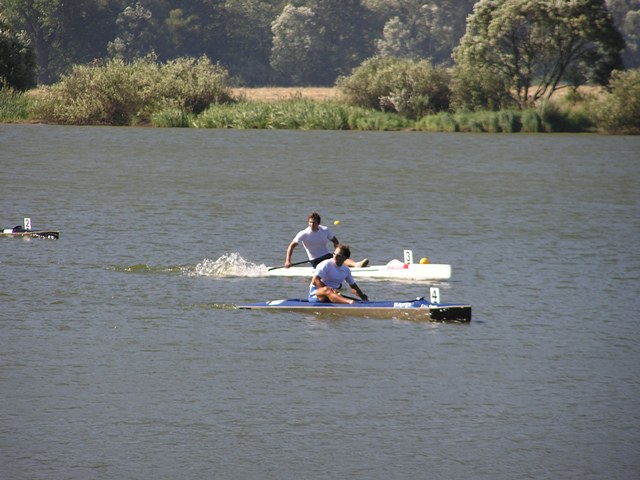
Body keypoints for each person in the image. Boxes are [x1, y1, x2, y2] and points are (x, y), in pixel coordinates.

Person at [284, 212, 368, 269]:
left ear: (319, 223)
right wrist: (288, 261)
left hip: (327, 256)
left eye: (314, 222)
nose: (311, 225)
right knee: (336, 262)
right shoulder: (303, 233)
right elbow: (291, 247)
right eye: (310, 222)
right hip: (315, 260)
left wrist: (337, 251)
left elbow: (335, 241)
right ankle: (350, 266)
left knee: (339, 257)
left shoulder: (325, 230)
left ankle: (356, 264)